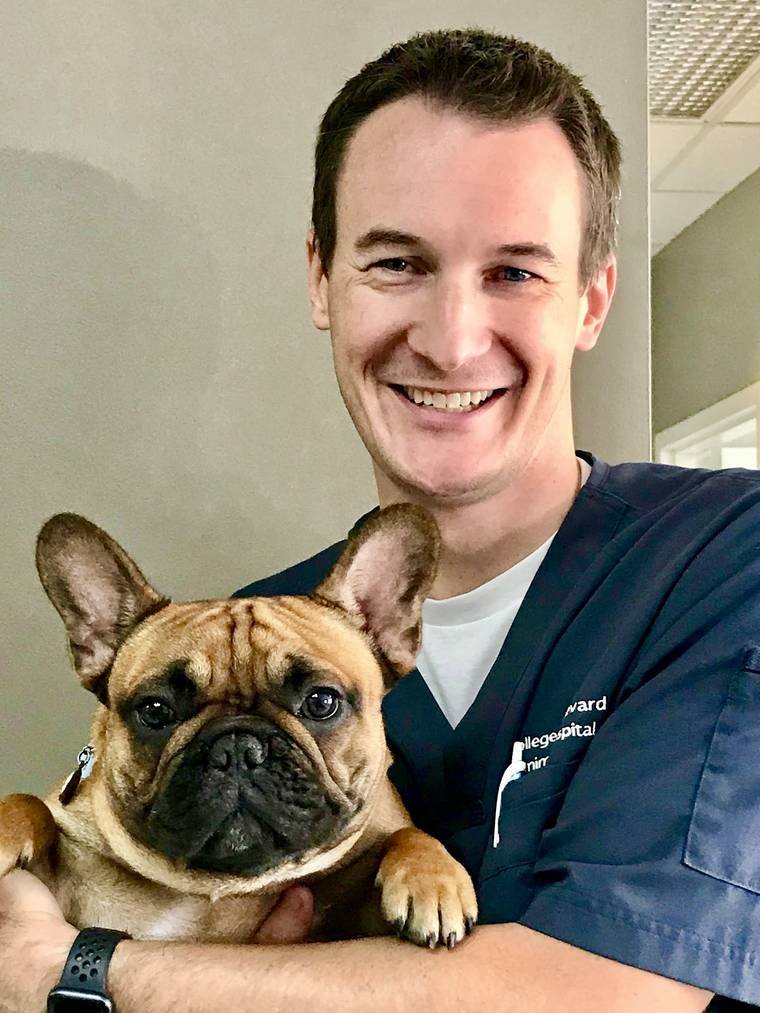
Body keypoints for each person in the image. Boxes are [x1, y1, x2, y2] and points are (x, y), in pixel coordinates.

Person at [1, 27, 758, 1012]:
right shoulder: (268, 619)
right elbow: (84, 833)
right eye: (398, 261)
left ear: (590, 299)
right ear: (322, 278)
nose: (451, 340)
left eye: (515, 271)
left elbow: (609, 997)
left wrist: (76, 973)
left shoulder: (720, 558)